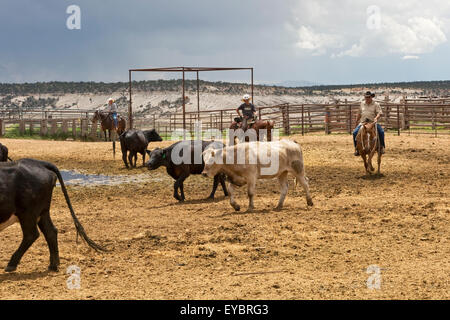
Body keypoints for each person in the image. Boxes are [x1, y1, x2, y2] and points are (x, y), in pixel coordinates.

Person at [353, 91, 385, 156]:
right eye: (366, 97)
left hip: (372, 123)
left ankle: (381, 147)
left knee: (381, 132)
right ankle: (357, 148)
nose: (367, 98)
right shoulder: (362, 104)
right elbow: (359, 113)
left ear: (371, 97)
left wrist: (376, 118)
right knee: (354, 133)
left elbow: (379, 113)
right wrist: (356, 121)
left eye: (368, 97)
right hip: (363, 123)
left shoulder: (376, 104)